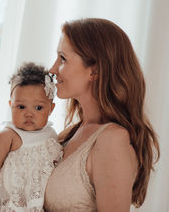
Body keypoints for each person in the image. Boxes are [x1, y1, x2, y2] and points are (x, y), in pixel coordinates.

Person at [44, 18, 160, 212]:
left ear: (95, 70)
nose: (52, 69)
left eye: (62, 58)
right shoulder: (72, 132)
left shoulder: (112, 140)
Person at [0, 62, 63, 211]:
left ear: (51, 109)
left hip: (38, 203)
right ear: (11, 105)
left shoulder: (51, 135)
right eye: (21, 107)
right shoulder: (8, 135)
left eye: (38, 108)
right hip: (12, 202)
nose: (29, 113)